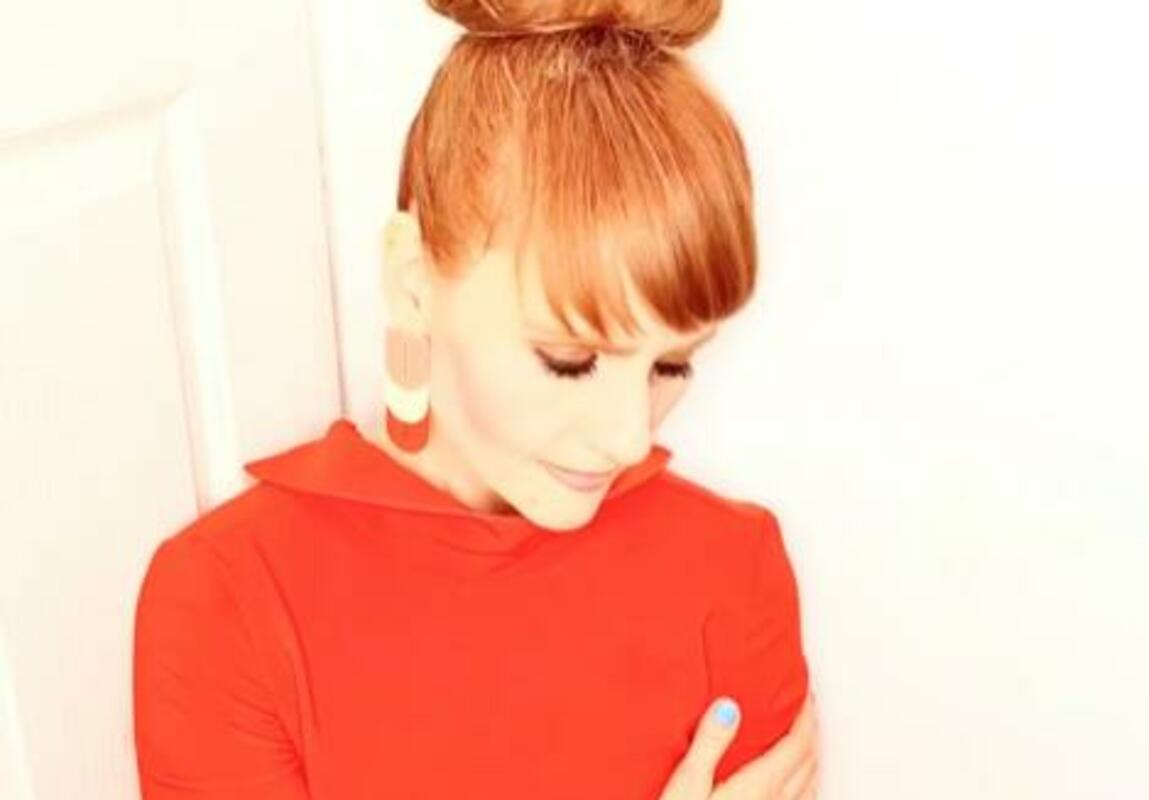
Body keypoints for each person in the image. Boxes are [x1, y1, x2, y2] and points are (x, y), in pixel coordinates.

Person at [132, 1, 820, 797]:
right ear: (412, 283)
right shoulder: (228, 603)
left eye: (671, 365)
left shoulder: (732, 568)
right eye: (570, 360)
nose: (631, 438)